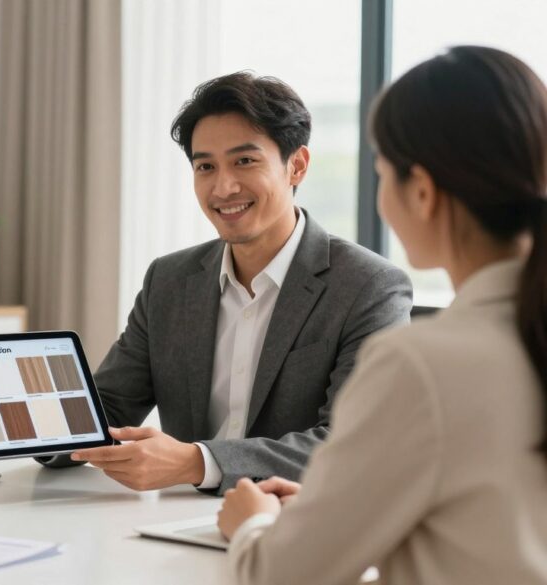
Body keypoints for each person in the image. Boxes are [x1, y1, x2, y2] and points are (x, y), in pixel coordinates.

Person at [0, 72, 412, 493]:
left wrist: (195, 462)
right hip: (171, 523)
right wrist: (8, 416)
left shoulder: (369, 286)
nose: (222, 187)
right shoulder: (171, 279)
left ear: (297, 166)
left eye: (244, 161)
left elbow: (352, 444)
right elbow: (110, 409)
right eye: (205, 167)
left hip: (299, 528)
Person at [217, 45, 547, 584]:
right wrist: (341, 505)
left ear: (420, 191)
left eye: (380, 172)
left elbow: (279, 576)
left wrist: (253, 524)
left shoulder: (422, 363)